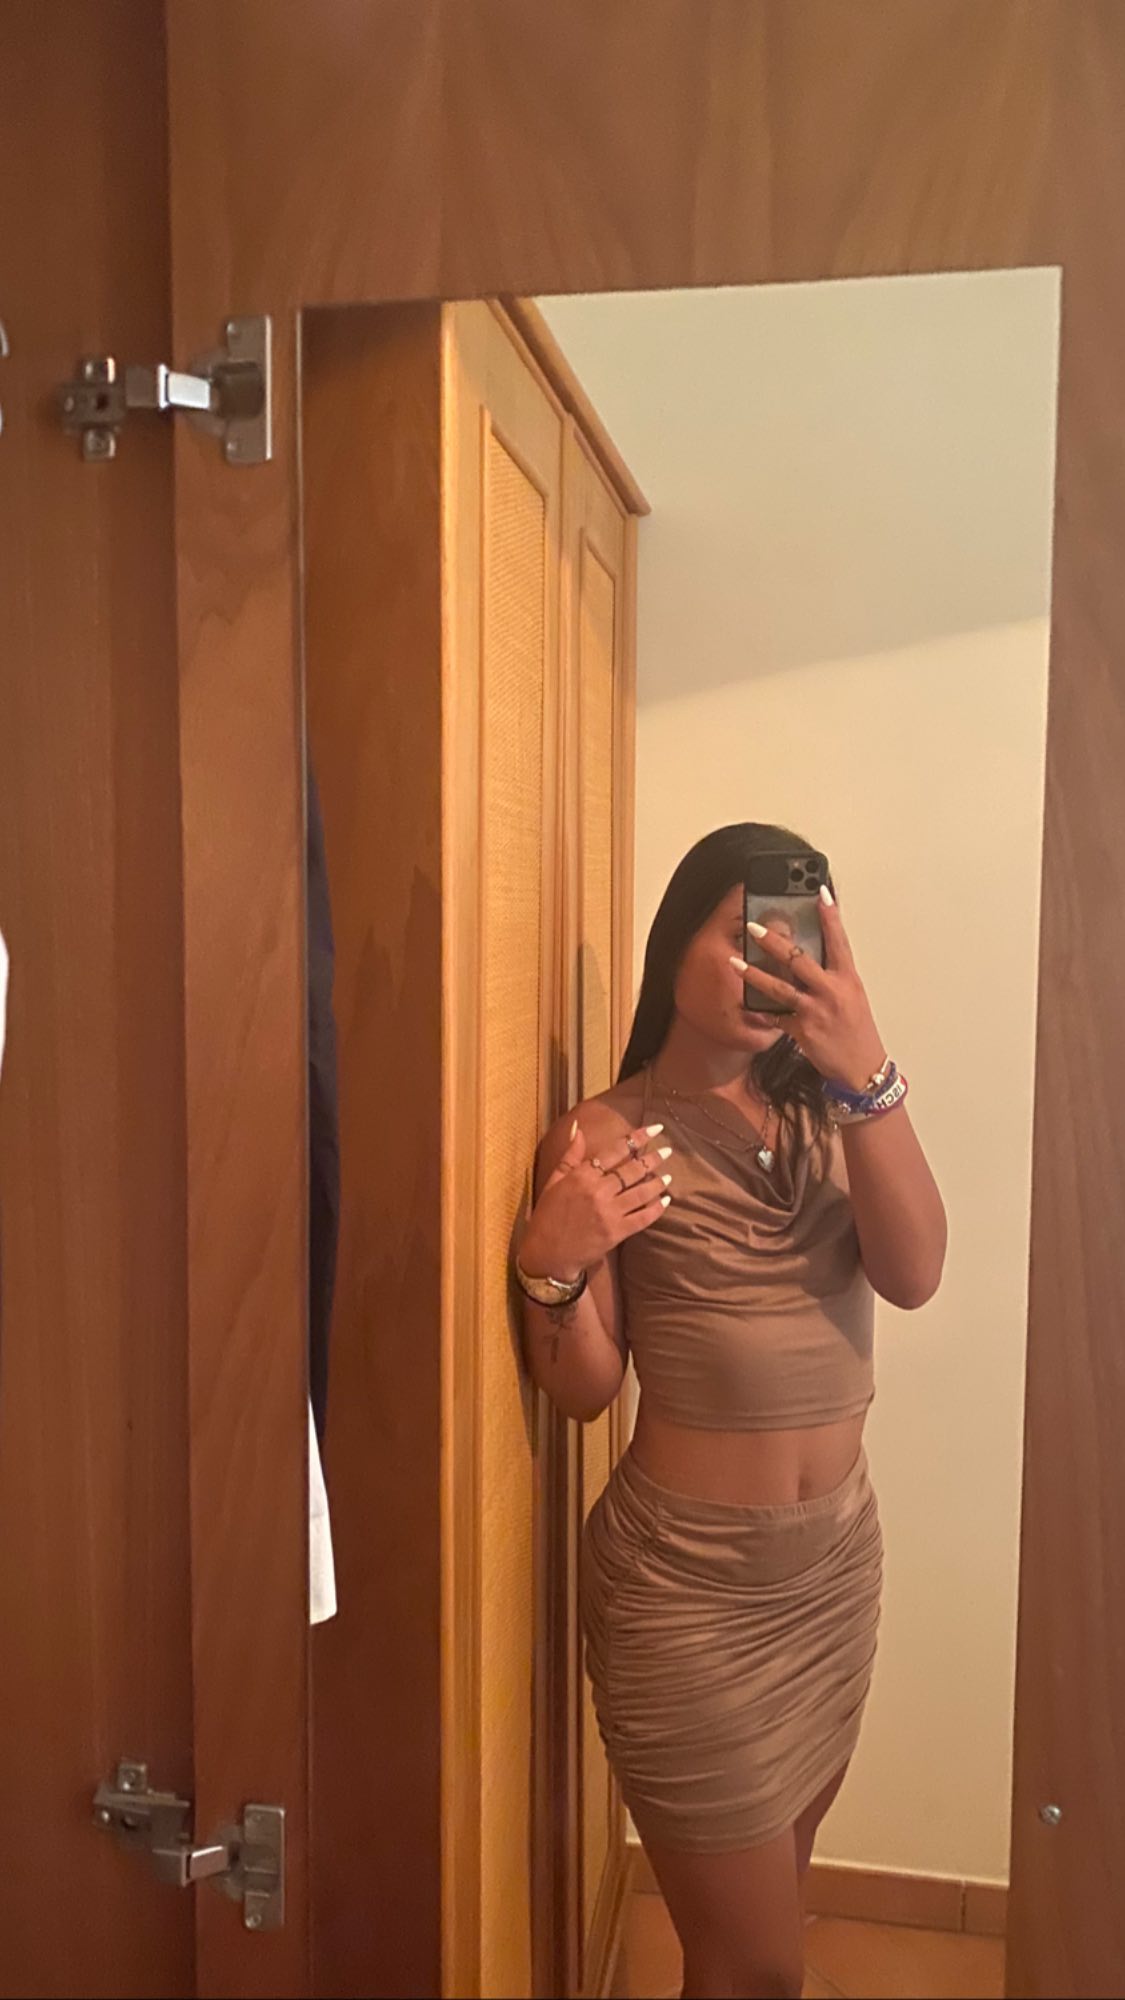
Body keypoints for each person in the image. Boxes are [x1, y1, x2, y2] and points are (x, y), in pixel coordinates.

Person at [515, 824, 946, 2000]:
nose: (771, 967)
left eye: (795, 942)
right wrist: (552, 1269)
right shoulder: (606, 1134)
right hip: (687, 1593)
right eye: (744, 936)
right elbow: (586, 1387)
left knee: (760, 1933)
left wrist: (867, 1070)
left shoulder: (837, 1113)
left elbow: (914, 1273)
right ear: (676, 944)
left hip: (834, 1570)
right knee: (755, 1962)